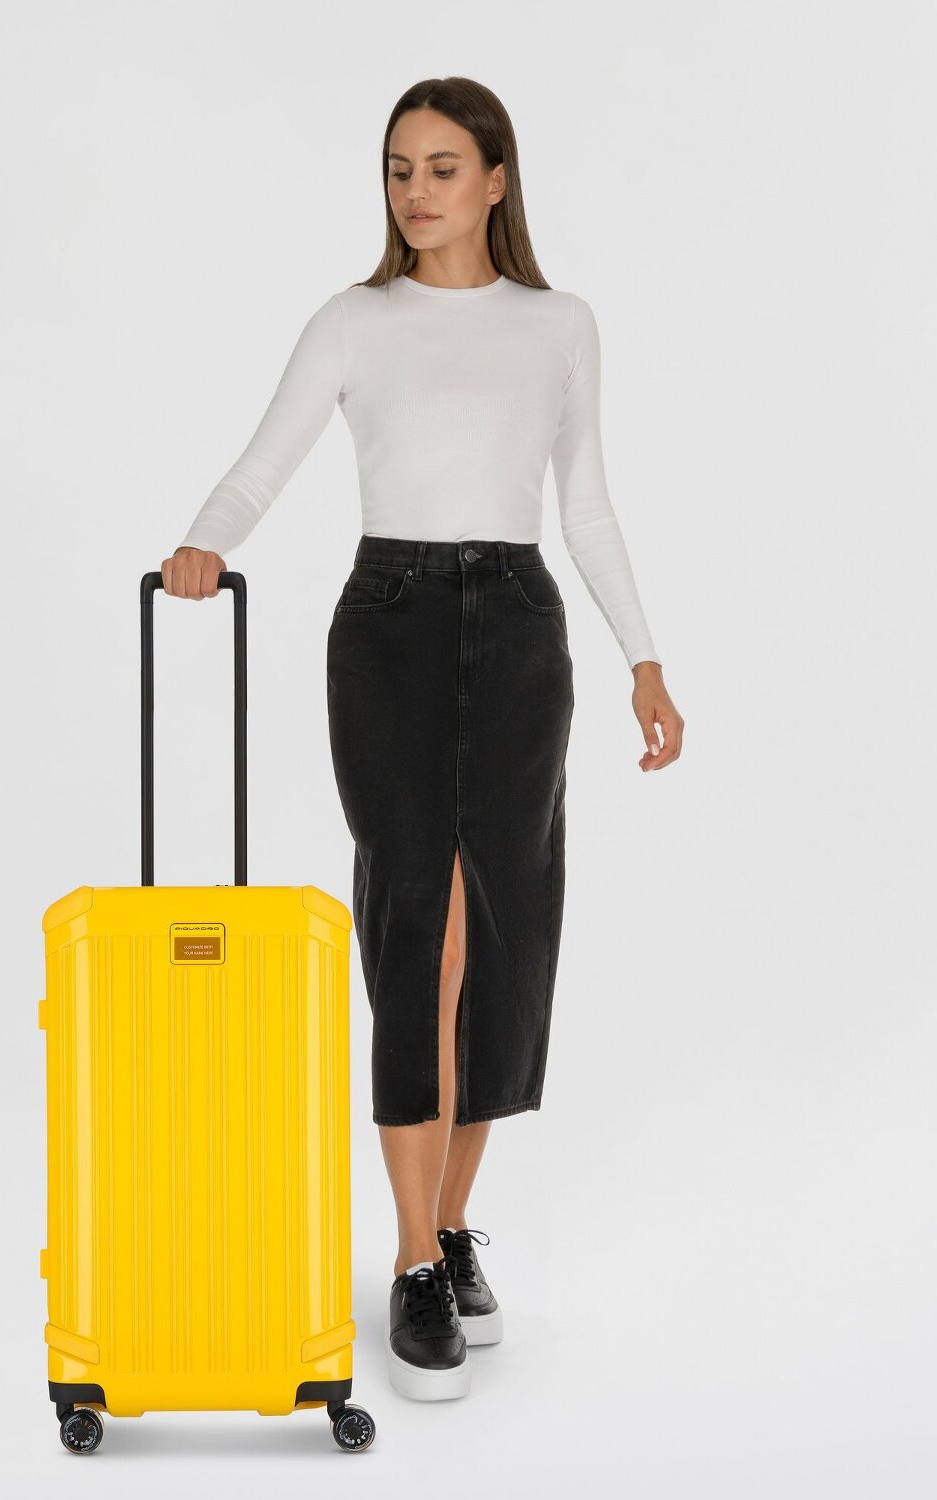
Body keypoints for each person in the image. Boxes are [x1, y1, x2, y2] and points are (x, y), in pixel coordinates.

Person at [160, 77, 684, 1402]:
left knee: (501, 932)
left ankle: (450, 1228)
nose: (417, 192)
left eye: (444, 167)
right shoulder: (355, 320)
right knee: (420, 933)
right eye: (400, 168)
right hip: (389, 623)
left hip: (517, 625)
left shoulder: (560, 324)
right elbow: (265, 461)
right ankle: (408, 1262)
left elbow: (590, 506)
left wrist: (644, 658)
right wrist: (204, 541)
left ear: (497, 179)